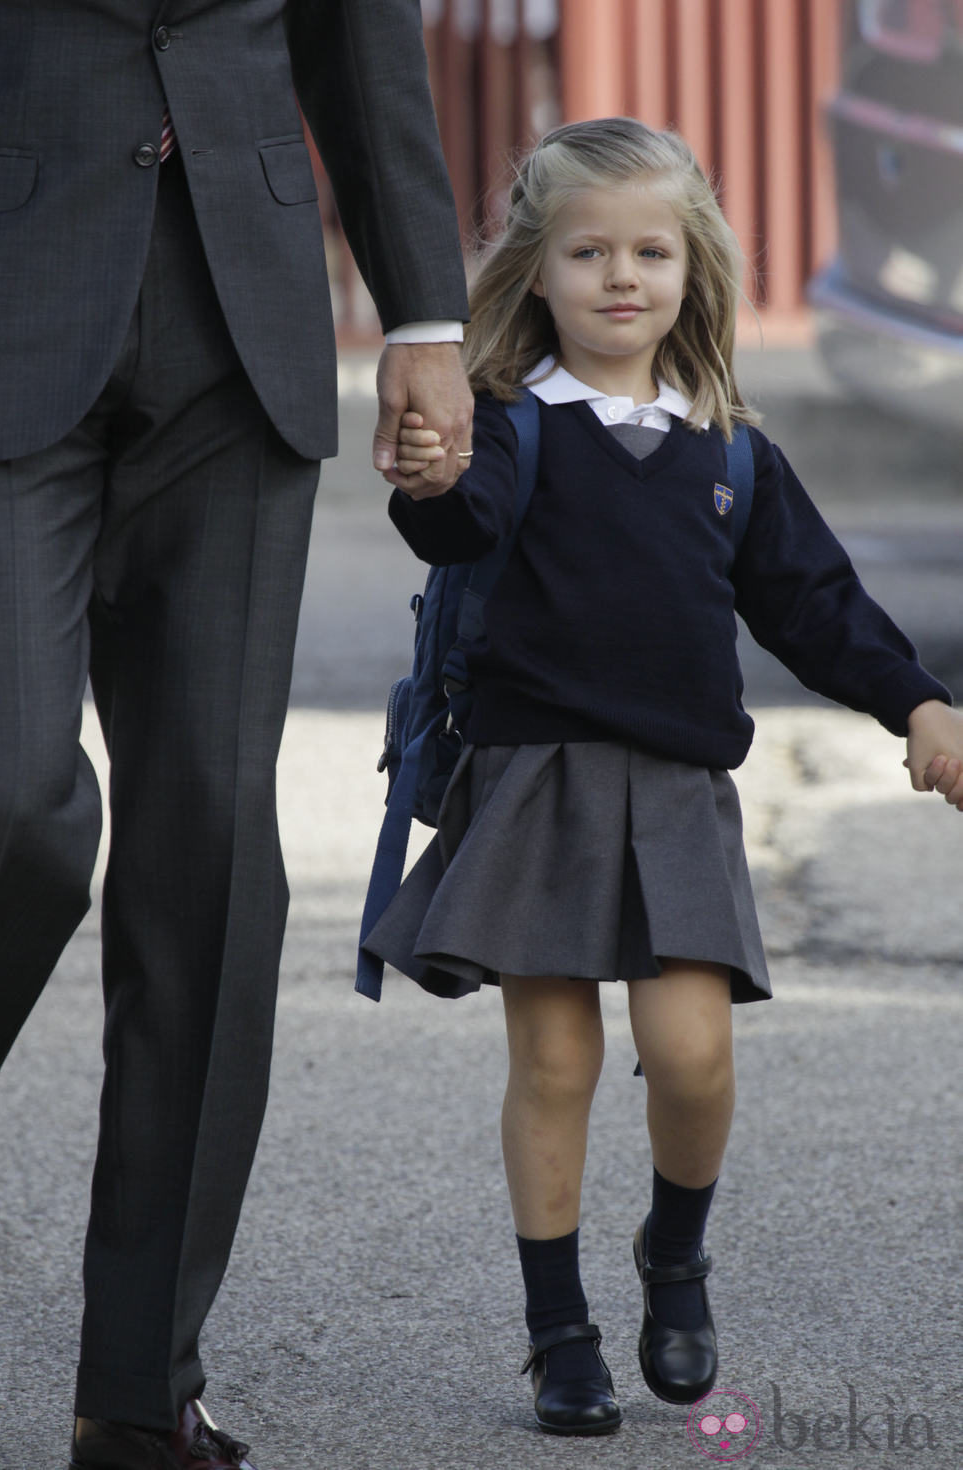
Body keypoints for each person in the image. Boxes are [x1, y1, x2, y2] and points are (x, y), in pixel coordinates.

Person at [360, 116, 963, 1437]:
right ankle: (558, 1330)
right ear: (537, 271)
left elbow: (815, 604)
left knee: (692, 1054)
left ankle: (673, 1256)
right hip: (534, 784)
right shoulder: (515, 427)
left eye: (649, 250)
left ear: (695, 269)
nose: (620, 276)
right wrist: (428, 470)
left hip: (680, 792)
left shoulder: (730, 450)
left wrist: (916, 700)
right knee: (557, 1059)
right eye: (587, 251)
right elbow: (452, 519)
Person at [0, 4, 471, 1468]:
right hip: (6, 296)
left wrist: (426, 319)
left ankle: (139, 1388)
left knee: (211, 853)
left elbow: (359, 43)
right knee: (11, 794)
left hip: (241, 330)